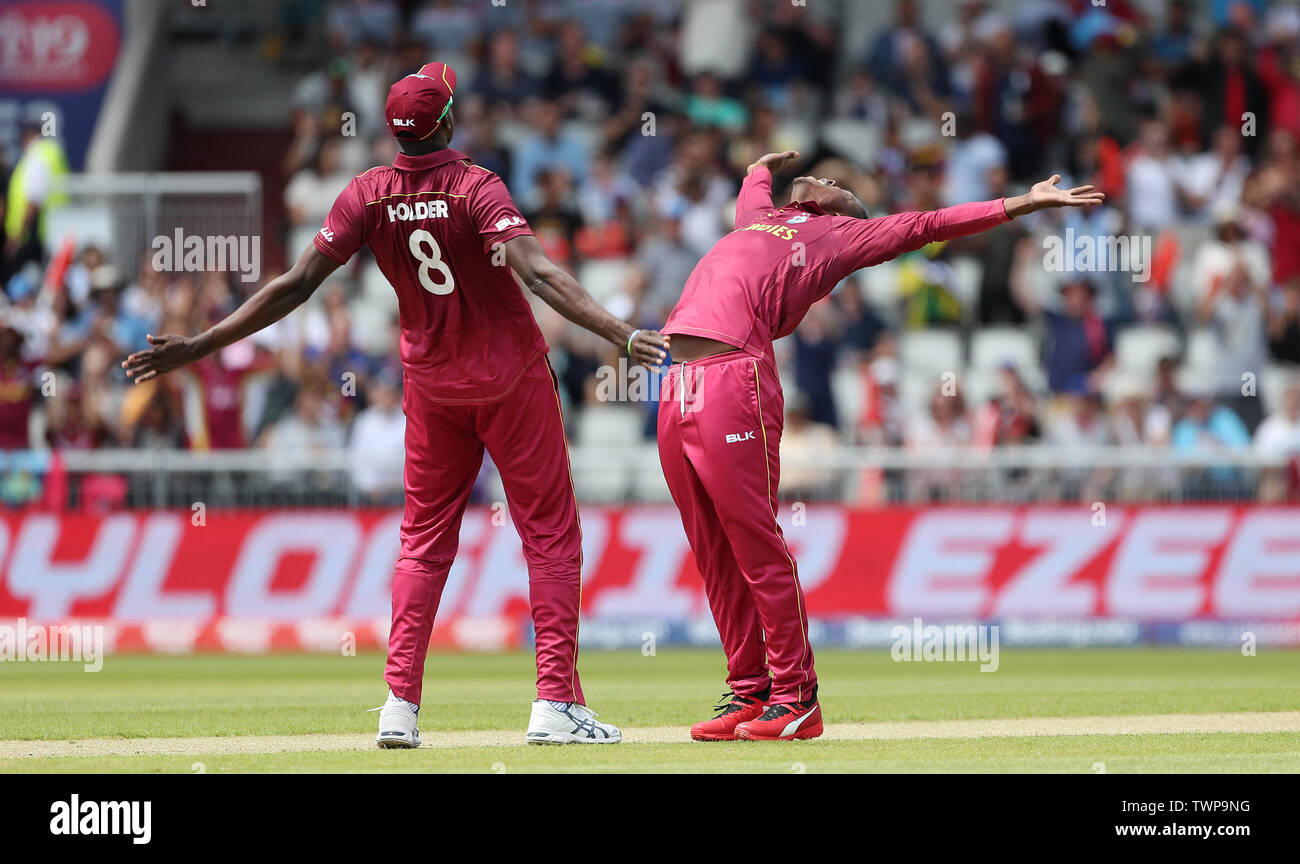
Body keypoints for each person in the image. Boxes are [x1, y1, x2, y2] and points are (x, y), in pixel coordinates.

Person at [122, 62, 668, 748]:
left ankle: (399, 707)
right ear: (445, 122)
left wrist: (200, 344)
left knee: (422, 541)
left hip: (432, 386)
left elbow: (295, 286)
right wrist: (621, 332)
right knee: (551, 535)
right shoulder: (477, 185)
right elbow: (539, 271)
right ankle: (554, 702)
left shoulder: (368, 194)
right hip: (509, 379)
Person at [657, 150, 1103, 742]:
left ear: (847, 210)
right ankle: (750, 691)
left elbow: (928, 225)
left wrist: (1019, 203)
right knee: (712, 550)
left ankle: (797, 697)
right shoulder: (758, 219)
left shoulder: (841, 236)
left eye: (843, 183)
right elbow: (752, 190)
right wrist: (759, 168)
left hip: (734, 378)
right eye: (826, 176)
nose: (829, 177)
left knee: (755, 541)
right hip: (675, 382)